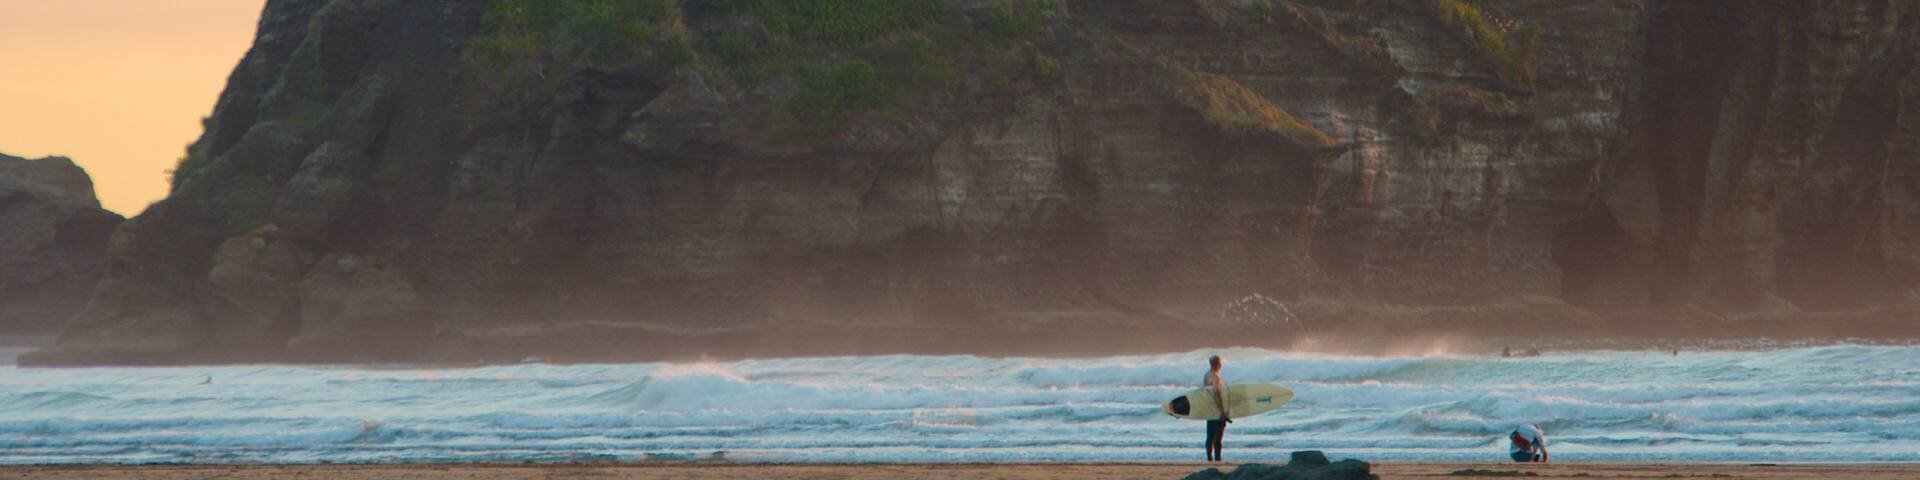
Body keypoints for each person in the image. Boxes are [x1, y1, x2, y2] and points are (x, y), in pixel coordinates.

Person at [1204, 355, 1231, 463]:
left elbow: (1207, 393)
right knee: (1218, 437)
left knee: (1210, 435)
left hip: (1210, 409)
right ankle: (1217, 459)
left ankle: (1209, 459)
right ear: (1219, 364)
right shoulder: (1215, 377)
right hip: (1217, 411)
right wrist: (1222, 411)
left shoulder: (1207, 375)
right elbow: (1216, 393)